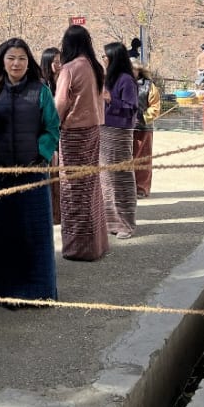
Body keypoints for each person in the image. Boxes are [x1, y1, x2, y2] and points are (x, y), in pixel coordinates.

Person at [0, 38, 60, 307]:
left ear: (29, 62)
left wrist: (41, 153)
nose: (17, 63)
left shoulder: (41, 91)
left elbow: (52, 128)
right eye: (11, 58)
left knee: (36, 233)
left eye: (22, 58)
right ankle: (7, 292)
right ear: (2, 61)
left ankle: (40, 292)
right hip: (2, 173)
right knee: (5, 234)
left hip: (33, 173)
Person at [55, 25, 109, 261]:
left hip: (73, 133)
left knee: (72, 189)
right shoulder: (95, 67)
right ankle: (96, 243)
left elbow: (60, 103)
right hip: (94, 130)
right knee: (91, 186)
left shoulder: (69, 68)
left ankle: (77, 247)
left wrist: (50, 127)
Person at [100, 43, 139, 239]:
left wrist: (110, 100)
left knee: (121, 178)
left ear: (114, 58)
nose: (103, 59)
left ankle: (127, 224)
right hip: (104, 130)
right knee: (106, 179)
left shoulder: (126, 80)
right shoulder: (107, 79)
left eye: (105, 56)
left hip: (120, 132)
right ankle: (111, 222)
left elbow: (131, 108)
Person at [130, 59, 161, 198]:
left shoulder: (149, 86)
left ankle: (141, 188)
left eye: (133, 69)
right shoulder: (121, 84)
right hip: (125, 128)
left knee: (143, 159)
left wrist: (143, 117)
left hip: (143, 128)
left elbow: (155, 107)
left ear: (139, 70)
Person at [40, 47, 63, 225]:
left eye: (60, 61)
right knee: (51, 173)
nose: (59, 64)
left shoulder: (63, 80)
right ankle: (51, 213)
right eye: (55, 61)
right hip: (48, 136)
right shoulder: (41, 84)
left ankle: (59, 213)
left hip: (63, 132)